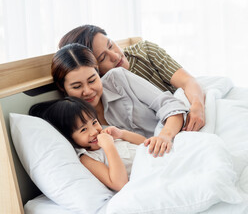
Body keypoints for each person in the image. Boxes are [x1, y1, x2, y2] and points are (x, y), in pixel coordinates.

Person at [51, 43, 189, 158]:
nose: (87, 91)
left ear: (98, 72)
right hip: (152, 161)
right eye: (77, 86)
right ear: (62, 88)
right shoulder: (74, 124)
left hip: (177, 137)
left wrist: (164, 137)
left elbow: (171, 105)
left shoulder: (118, 79)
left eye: (92, 80)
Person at [58, 24, 205, 132]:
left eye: (110, 45)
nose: (115, 56)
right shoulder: (107, 90)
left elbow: (188, 81)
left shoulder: (144, 51)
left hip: (184, 108)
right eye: (103, 58)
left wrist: (197, 106)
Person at [29, 96, 146, 191]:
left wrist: (122, 134)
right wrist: (109, 147)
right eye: (83, 130)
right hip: (145, 176)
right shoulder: (87, 159)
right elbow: (119, 184)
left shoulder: (108, 135)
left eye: (94, 122)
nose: (94, 131)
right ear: (69, 138)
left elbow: (146, 143)